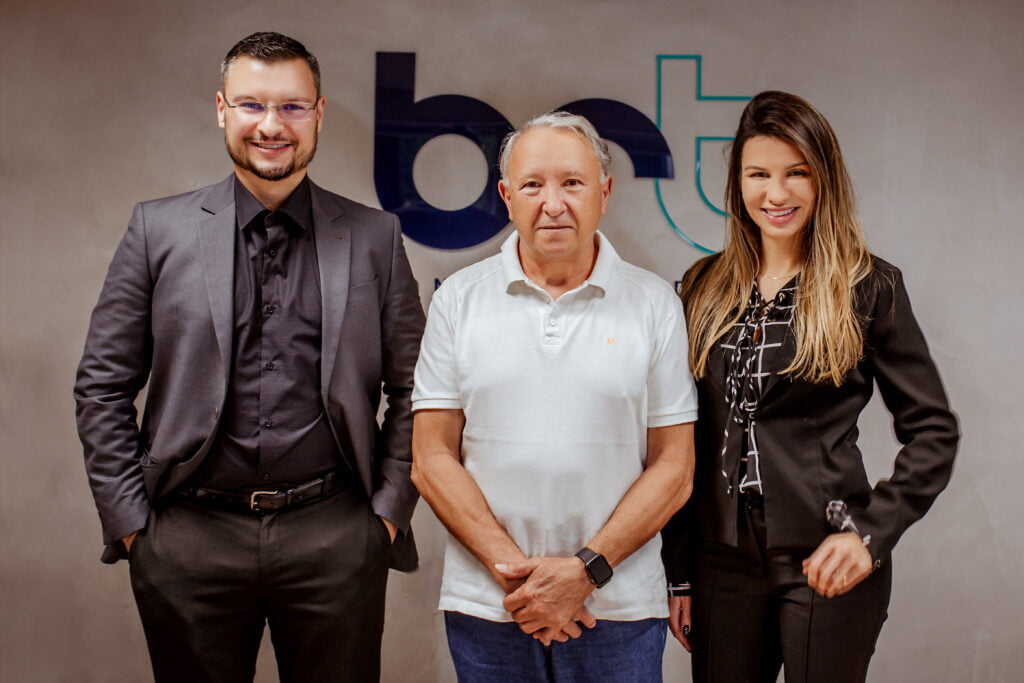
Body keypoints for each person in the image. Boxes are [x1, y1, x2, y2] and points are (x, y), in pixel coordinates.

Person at [73, 32, 425, 682]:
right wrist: (133, 527)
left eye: (292, 106)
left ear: (319, 113)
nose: (271, 125)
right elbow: (102, 385)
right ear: (222, 110)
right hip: (187, 537)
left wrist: (385, 515)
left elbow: (415, 389)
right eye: (252, 104)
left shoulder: (375, 236)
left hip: (336, 535)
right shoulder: (157, 230)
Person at [662, 90, 960, 682]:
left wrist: (868, 534)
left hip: (826, 553)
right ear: (737, 184)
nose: (776, 194)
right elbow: (681, 436)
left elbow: (933, 432)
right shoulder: (701, 287)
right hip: (721, 561)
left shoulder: (868, 287)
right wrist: (681, 573)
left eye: (796, 173)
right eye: (758, 174)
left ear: (824, 178)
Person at [410, 111, 698, 681]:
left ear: (604, 193)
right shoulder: (458, 300)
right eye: (533, 185)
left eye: (572, 182)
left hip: (617, 608)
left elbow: (675, 467)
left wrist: (583, 573)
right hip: (492, 605)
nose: (553, 203)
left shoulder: (654, 304)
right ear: (506, 197)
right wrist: (525, 582)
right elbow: (430, 458)